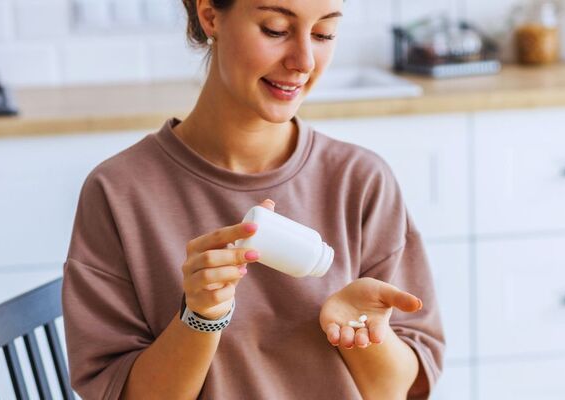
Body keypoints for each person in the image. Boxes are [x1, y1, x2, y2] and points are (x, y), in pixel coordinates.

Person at [61, 0, 444, 398]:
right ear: (210, 15)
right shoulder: (118, 192)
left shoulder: (361, 181)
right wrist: (200, 316)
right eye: (276, 29)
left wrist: (363, 336)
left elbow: (401, 388)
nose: (304, 61)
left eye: (323, 34)